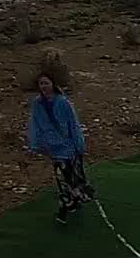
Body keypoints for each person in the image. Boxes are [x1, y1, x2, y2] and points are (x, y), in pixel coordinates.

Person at [28, 73, 96, 224]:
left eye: (46, 83)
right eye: (41, 84)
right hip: (53, 149)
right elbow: (35, 124)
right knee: (64, 180)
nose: (44, 86)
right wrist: (36, 144)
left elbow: (73, 124)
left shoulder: (63, 102)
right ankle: (71, 204)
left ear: (53, 84)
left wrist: (79, 145)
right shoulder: (37, 104)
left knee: (72, 179)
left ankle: (66, 208)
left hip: (69, 148)